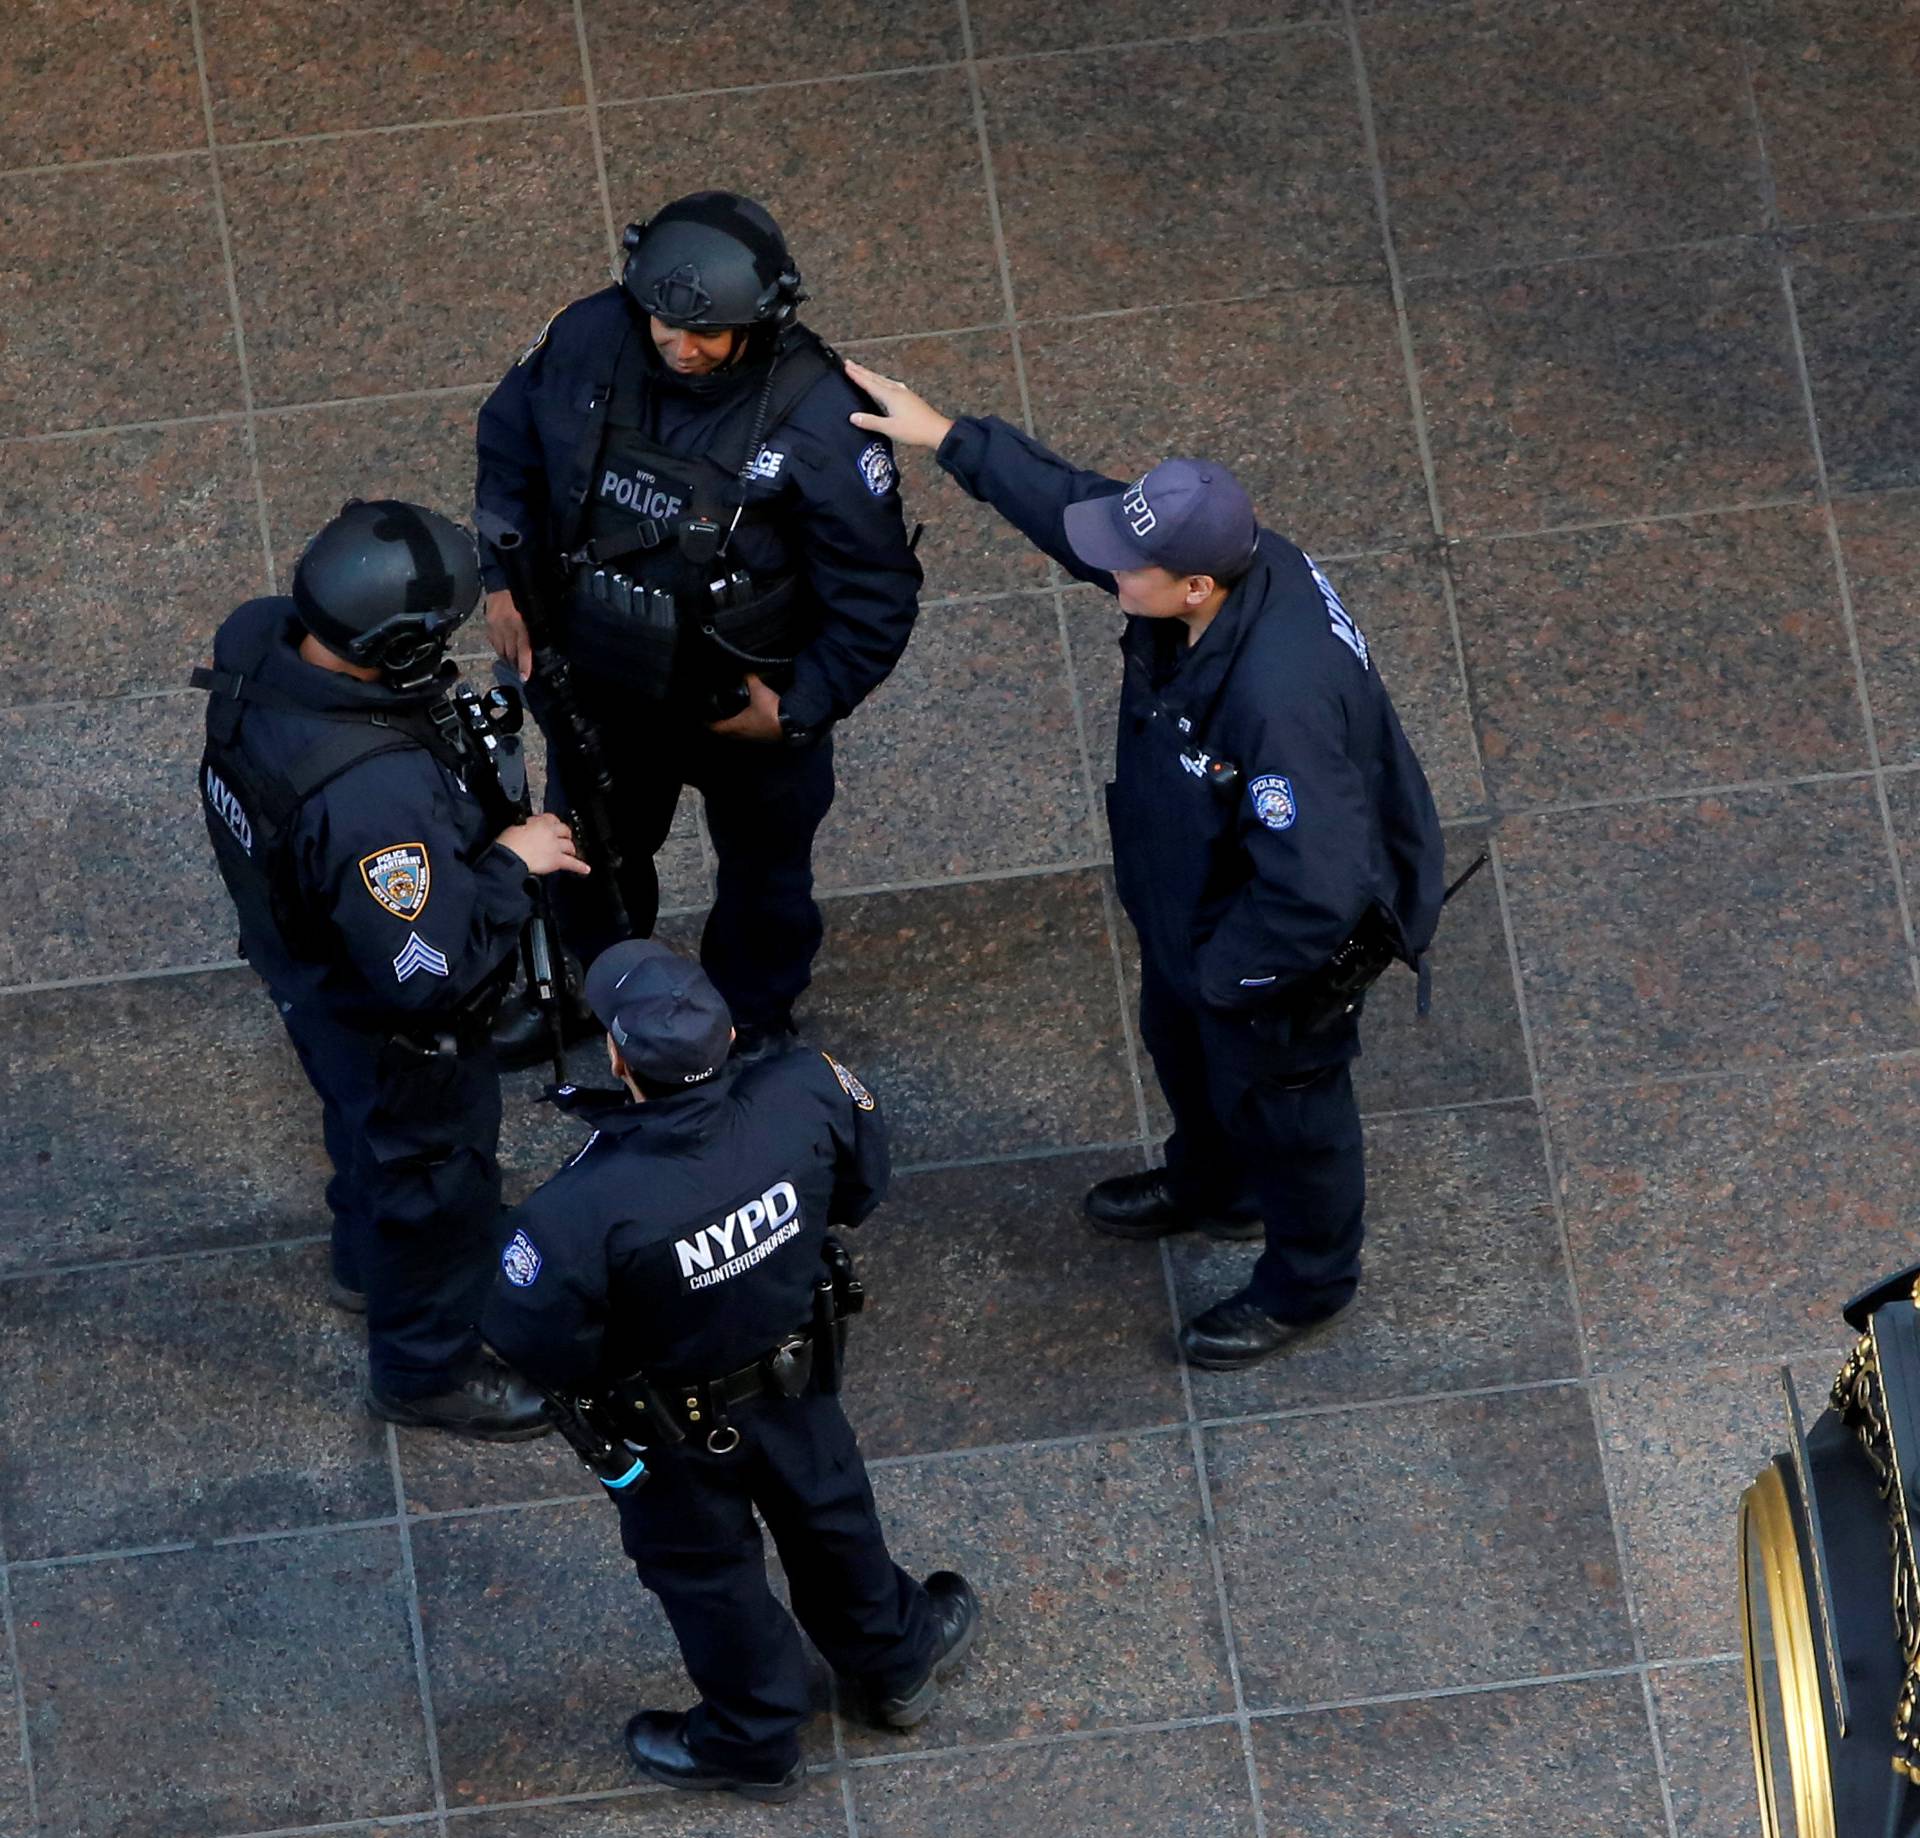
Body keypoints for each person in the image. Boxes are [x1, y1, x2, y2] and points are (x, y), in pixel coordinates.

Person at [846, 365, 1445, 1371]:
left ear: (1195, 586)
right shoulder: (1214, 567)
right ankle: (1217, 1187)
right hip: (1198, 906)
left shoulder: (1275, 700)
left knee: (1292, 1118)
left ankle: (1307, 1282)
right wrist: (949, 436)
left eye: (1131, 568)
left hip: (1272, 957)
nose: (1109, 576)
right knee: (1182, 1052)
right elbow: (1084, 507)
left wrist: (1225, 977)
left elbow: (1320, 885)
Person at [482, 939, 979, 1799]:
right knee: (831, 1511)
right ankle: (896, 1663)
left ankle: (753, 1734)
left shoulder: (574, 1211)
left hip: (663, 1426)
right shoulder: (808, 1089)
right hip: (795, 1372)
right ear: (729, 1030)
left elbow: (535, 1341)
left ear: (617, 1056)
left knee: (707, 1574)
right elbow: (863, 1187)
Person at [475, 190, 922, 1049]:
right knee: (591, 861)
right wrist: (502, 579)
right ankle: (612, 1003)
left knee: (765, 884)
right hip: (600, 684)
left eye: (707, 334)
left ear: (759, 321)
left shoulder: (824, 417)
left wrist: (796, 708)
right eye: (664, 327)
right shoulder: (589, 336)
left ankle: (750, 1024)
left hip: (744, 704)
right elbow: (508, 450)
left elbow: (876, 592)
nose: (682, 348)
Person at [194, 499, 587, 1438]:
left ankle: (363, 1263)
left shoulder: (255, 640)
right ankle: (424, 1371)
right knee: (436, 1190)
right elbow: (430, 970)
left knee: (357, 1128)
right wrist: (507, 864)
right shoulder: (375, 802)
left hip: (306, 971)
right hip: (394, 1025)